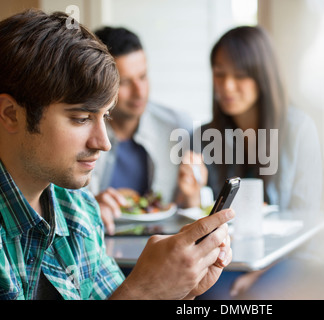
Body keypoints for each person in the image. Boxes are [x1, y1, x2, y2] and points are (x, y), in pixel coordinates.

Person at [0, 9, 232, 300]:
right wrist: (144, 291)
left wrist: (176, 291)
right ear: (11, 114)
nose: (104, 142)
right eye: (81, 118)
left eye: (105, 116)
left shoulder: (77, 207)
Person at [177, 26, 322, 298]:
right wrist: (190, 195)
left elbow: (307, 222)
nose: (227, 86)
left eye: (240, 75)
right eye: (219, 74)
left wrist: (258, 273)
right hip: (224, 256)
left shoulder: (299, 129)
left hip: (285, 257)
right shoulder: (204, 136)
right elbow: (194, 217)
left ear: (262, 77)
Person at [90, 26, 194, 235]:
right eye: (125, 82)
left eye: (143, 77)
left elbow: (186, 208)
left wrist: (193, 195)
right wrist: (89, 208)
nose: (140, 92)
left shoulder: (177, 128)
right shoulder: (79, 130)